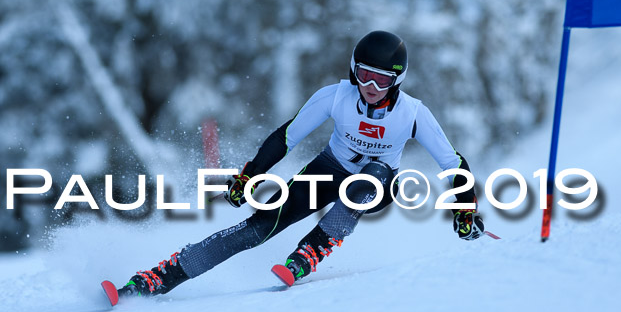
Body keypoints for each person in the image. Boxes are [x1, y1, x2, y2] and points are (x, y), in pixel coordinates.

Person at [116, 30, 485, 297]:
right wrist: (250, 176)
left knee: (366, 182)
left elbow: (454, 164)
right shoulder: (335, 97)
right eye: (364, 74)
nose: (370, 86)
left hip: (379, 180)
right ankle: (163, 275)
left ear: (397, 80)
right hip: (330, 168)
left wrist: (464, 212)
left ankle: (313, 249)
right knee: (257, 228)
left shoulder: (413, 114)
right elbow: (285, 137)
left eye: (382, 78)